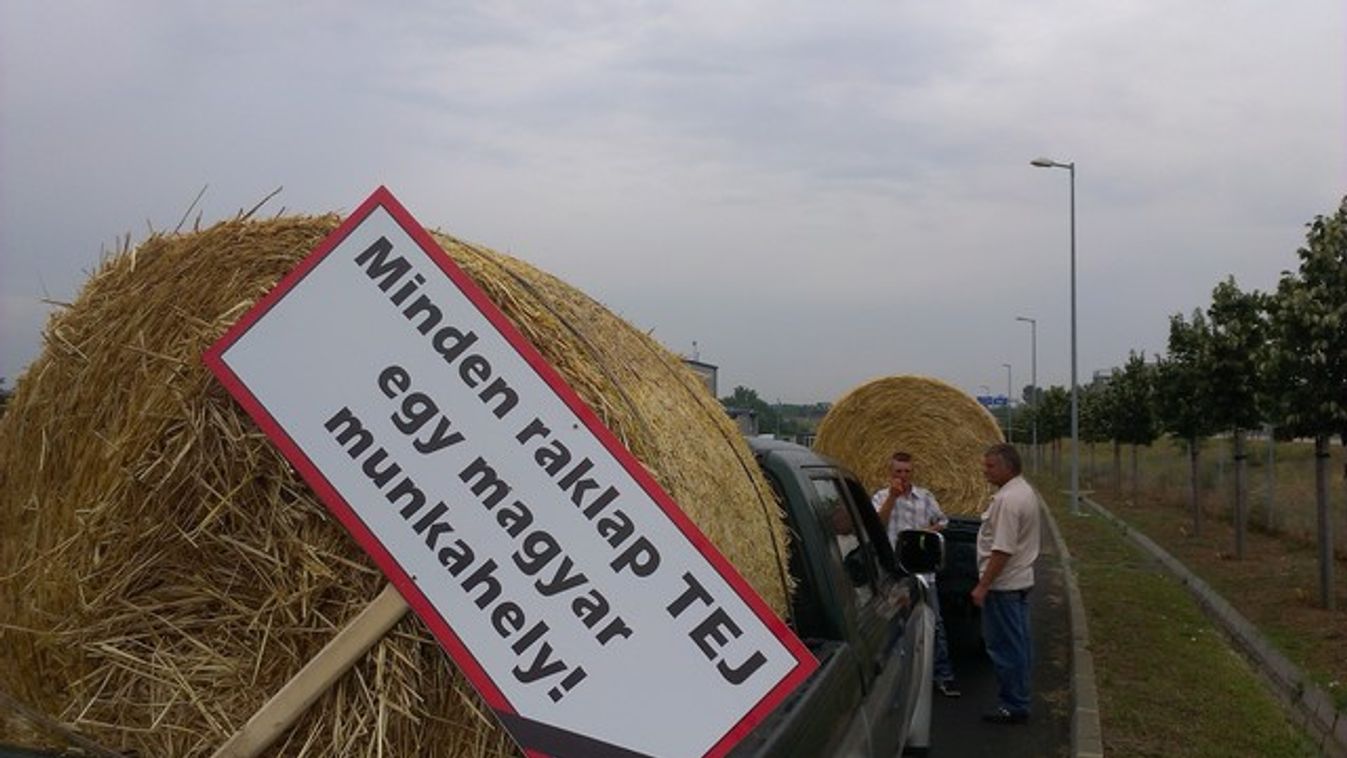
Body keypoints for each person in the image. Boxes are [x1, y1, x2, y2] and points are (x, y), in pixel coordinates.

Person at [872, 451, 961, 698]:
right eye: (898, 471)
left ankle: (943, 675)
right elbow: (877, 526)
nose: (902, 475)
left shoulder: (925, 497)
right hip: (894, 573)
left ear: (913, 472)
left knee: (934, 623)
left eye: (907, 471)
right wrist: (892, 497)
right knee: (893, 624)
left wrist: (926, 531)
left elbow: (943, 520)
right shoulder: (881, 496)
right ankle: (893, 679)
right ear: (890, 473)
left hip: (923, 572)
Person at [972, 443, 1041, 724]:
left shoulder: (1007, 501)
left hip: (1004, 587)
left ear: (1007, 467)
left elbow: (1002, 549)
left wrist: (983, 585)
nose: (984, 471)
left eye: (990, 466)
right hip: (1019, 582)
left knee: (1004, 648)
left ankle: (1013, 704)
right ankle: (1018, 698)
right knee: (1019, 644)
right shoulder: (1023, 491)